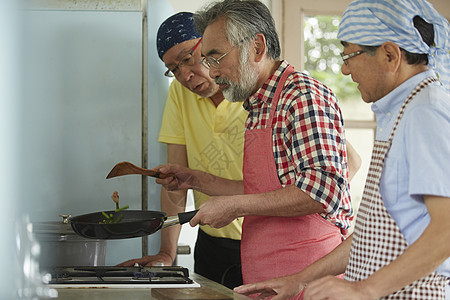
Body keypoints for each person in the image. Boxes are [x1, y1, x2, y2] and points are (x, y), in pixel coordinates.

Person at [234, 0, 450, 299]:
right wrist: (299, 279)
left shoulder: (425, 112)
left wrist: (365, 289)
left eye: (350, 55)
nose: (345, 69)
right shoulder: (403, 111)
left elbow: (446, 232)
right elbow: (373, 233)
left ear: (390, 54)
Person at [154, 0, 357, 288]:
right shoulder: (258, 106)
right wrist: (197, 180)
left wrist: (234, 207)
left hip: (307, 280)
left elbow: (324, 190)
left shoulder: (301, 96)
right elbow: (265, 192)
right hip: (267, 277)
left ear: (257, 48)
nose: (211, 72)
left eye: (215, 57)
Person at [118, 12, 248, 288]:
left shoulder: (253, 86)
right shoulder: (180, 94)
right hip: (211, 244)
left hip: (265, 241)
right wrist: (167, 252)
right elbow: (175, 184)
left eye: (188, 58)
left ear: (211, 45)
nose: (185, 75)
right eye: (173, 69)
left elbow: (345, 164)